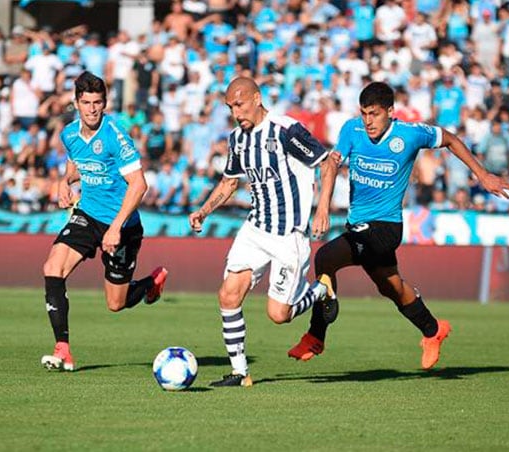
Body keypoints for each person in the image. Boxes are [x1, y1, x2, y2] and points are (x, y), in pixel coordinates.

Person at [288, 82, 509, 369]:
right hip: (358, 226)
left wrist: (482, 175)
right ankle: (433, 330)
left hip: (385, 228)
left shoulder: (410, 134)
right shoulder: (351, 130)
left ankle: (315, 335)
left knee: (325, 257)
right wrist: (322, 207)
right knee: (392, 288)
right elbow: (331, 164)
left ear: (390, 112)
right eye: (364, 114)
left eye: (374, 114)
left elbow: (451, 139)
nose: (368, 121)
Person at [188, 77, 340, 387]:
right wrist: (204, 210)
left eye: (240, 105)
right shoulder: (237, 139)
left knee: (279, 315)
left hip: (289, 235)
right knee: (228, 294)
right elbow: (230, 182)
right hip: (256, 228)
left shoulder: (286, 130)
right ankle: (240, 372)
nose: (236, 113)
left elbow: (327, 164)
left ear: (257, 99)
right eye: (231, 107)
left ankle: (322, 289)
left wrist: (322, 209)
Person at [40, 72, 168, 372]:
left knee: (116, 304)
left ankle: (150, 283)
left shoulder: (115, 135)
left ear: (105, 103)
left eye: (98, 102)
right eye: (86, 103)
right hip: (88, 214)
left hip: (123, 225)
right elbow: (76, 164)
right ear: (77, 103)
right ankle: (63, 350)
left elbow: (139, 185)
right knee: (52, 268)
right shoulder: (69, 134)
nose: (92, 109)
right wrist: (64, 181)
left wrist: (115, 228)